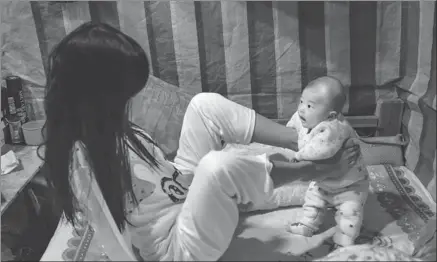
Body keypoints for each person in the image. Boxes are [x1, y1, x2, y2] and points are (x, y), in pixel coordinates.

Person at [41, 22, 360, 261]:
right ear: (99, 96)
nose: (136, 100)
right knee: (217, 166)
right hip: (179, 247)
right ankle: (315, 169)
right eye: (127, 95)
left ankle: (300, 140)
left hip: (183, 198)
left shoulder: (113, 128)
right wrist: (216, 182)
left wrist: (208, 192)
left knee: (204, 105)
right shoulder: (82, 161)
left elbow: (168, 177)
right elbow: (113, 240)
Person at [286, 77, 369, 248]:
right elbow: (293, 124)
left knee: (349, 214)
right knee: (312, 201)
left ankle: (344, 242)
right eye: (301, 101)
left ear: (330, 115)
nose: (301, 109)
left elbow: (321, 150)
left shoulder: (333, 127)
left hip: (350, 185)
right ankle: (307, 225)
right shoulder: (304, 117)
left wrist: (299, 156)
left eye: (309, 106)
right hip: (324, 181)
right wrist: (290, 129)